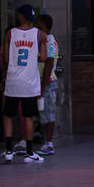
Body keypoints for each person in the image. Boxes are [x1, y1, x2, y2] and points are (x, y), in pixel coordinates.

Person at [0, 4, 50, 163]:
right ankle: (29, 152)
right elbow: (43, 57)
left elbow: (7, 59)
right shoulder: (40, 34)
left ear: (20, 16)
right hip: (30, 83)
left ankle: (8, 150)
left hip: (13, 81)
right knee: (28, 117)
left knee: (9, 115)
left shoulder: (10, 33)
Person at [35, 14, 59, 155]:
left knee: (48, 113)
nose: (37, 30)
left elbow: (49, 63)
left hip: (47, 83)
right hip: (39, 83)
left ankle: (49, 143)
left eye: (39, 27)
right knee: (37, 114)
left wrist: (43, 85)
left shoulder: (49, 41)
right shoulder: (42, 41)